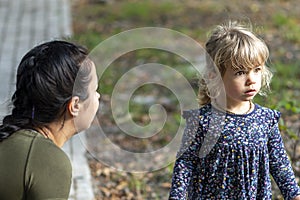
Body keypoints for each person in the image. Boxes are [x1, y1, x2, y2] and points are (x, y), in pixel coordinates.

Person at [169, 21, 300, 199]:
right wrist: (177, 196)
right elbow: (186, 162)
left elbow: (279, 162)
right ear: (214, 77)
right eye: (240, 72)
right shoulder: (203, 121)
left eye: (257, 70)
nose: (251, 80)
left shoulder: (265, 119)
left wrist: (293, 194)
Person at [0, 40, 100, 199]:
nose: (98, 96)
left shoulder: (14, 139)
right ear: (75, 105)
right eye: (95, 90)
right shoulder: (48, 161)